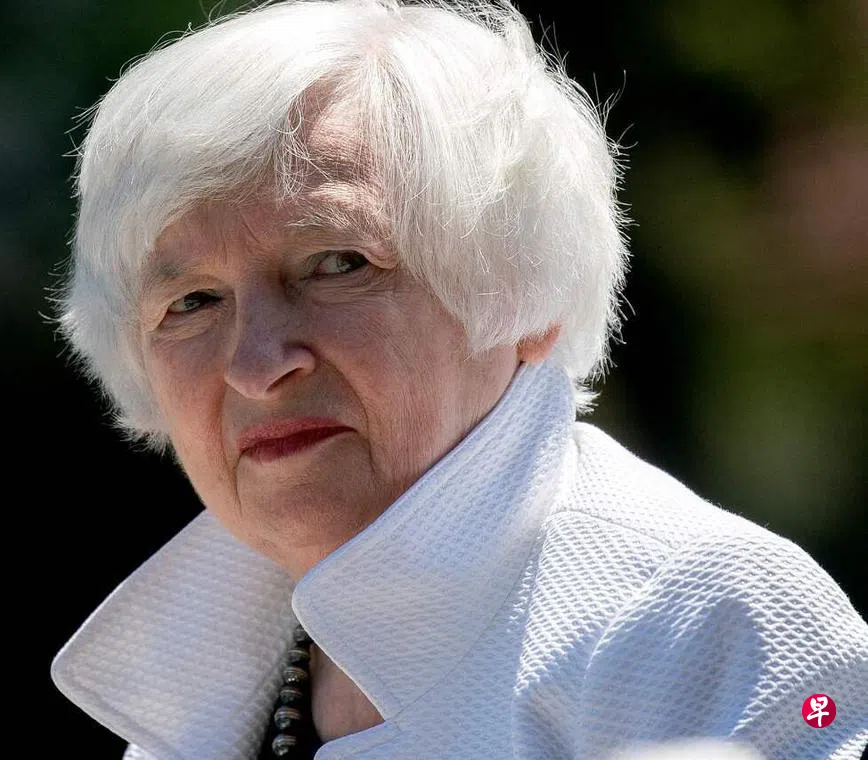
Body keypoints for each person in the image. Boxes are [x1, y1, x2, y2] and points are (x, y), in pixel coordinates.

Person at [50, 1, 868, 758]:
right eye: (191, 302)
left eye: (338, 263)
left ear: (526, 294)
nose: (258, 367)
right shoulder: (206, 683)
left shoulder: (707, 618)